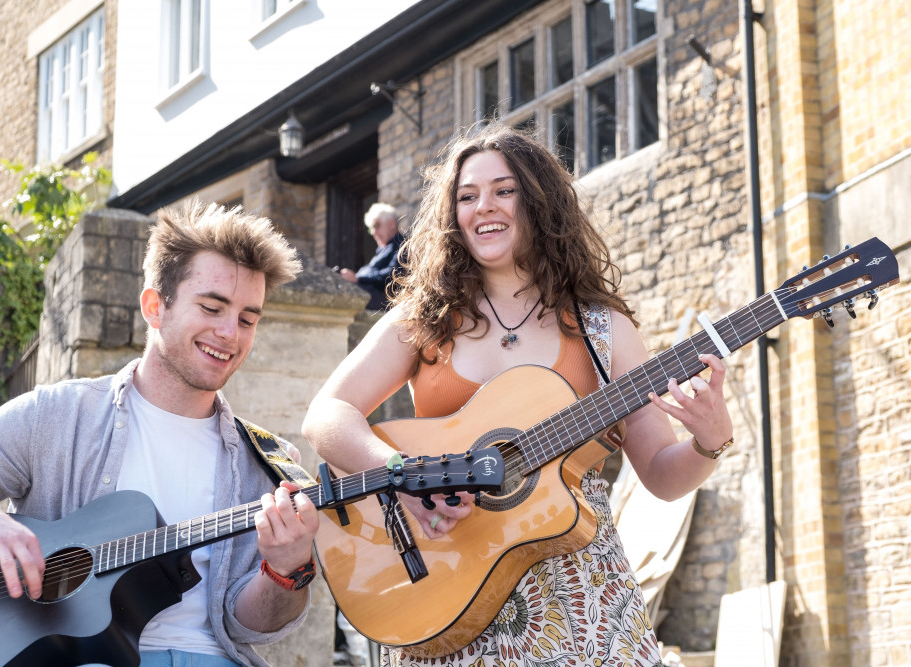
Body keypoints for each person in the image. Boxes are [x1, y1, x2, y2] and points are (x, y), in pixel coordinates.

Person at [301, 124, 734, 666]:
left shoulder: (603, 331)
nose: (485, 207)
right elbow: (326, 415)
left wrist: (708, 444)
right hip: (446, 589)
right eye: (467, 196)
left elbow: (662, 476)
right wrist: (403, 475)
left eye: (504, 190)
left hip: (580, 601)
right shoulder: (422, 321)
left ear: (539, 203)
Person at [0, 200, 320, 666]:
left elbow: (249, 626)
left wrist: (287, 570)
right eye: (212, 307)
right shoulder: (56, 415)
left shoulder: (268, 461)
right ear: (154, 306)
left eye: (248, 319)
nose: (230, 333)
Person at [337, 202, 406, 310]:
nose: (373, 232)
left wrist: (358, 278)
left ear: (392, 224)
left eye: (376, 226)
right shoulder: (384, 249)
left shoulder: (403, 245)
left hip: (388, 303)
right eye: (371, 228)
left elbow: (394, 275)